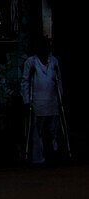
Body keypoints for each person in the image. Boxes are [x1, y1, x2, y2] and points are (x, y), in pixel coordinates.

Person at [20, 36, 63, 165]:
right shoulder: (31, 62)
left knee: (53, 130)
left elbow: (58, 81)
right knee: (36, 132)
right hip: (37, 103)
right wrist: (26, 100)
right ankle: (37, 158)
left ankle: (53, 154)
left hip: (52, 102)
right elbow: (25, 82)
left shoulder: (53, 61)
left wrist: (61, 97)